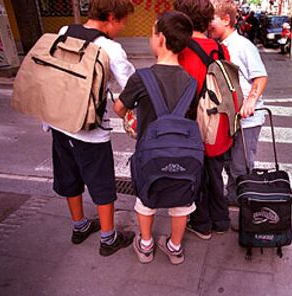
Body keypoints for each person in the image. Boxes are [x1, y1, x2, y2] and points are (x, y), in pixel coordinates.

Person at [47, 0, 136, 256]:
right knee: (101, 181)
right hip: (89, 129)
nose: (122, 27)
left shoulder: (64, 31)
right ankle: (108, 239)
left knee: (68, 175)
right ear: (110, 17)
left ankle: (80, 226)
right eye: (122, 22)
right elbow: (131, 86)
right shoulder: (111, 48)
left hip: (59, 121)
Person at [113, 11, 195, 265]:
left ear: (160, 39)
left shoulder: (141, 77)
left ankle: (146, 245)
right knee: (182, 202)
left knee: (146, 198)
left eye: (152, 33)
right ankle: (175, 247)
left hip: (150, 151)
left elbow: (119, 107)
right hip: (183, 151)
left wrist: (130, 116)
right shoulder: (191, 81)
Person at [175, 0, 237, 239]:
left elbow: (183, 91)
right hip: (219, 122)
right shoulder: (221, 48)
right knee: (215, 173)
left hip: (196, 125)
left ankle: (202, 223)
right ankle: (221, 220)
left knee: (197, 175)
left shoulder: (183, 49)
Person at [209, 0, 268, 206]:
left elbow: (260, 77)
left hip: (247, 120)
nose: (208, 25)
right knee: (227, 163)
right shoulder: (218, 46)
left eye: (212, 19)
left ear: (226, 20)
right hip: (229, 117)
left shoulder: (243, 46)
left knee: (241, 167)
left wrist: (250, 101)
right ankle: (232, 199)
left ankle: (242, 208)